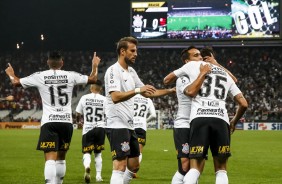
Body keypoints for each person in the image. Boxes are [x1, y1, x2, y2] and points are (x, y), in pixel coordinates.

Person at [5, 50, 101, 184]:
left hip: (49, 122)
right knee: (61, 158)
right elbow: (93, 79)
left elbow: (15, 82)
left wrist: (11, 73)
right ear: (62, 63)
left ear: (48, 62)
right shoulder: (70, 75)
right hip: (66, 122)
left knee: (50, 158)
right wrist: (95, 65)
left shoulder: (40, 76)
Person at [164, 54, 248, 184]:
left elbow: (168, 79)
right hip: (221, 120)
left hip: (199, 119)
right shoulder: (225, 74)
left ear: (202, 58)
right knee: (221, 170)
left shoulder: (192, 66)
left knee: (195, 168)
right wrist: (233, 122)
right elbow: (244, 104)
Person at [104, 36, 175, 184]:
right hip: (117, 124)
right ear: (122, 51)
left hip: (130, 126)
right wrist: (137, 90)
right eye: (133, 51)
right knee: (120, 165)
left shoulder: (131, 72)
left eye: (136, 51)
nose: (136, 54)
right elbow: (115, 97)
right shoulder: (113, 70)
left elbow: (148, 92)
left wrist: (171, 90)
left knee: (134, 165)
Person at [171, 46, 211, 184]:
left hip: (199, 124)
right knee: (185, 166)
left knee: (197, 164)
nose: (200, 58)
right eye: (196, 55)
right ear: (187, 61)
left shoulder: (205, 77)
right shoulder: (183, 78)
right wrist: (202, 74)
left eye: (200, 55)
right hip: (184, 124)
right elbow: (191, 92)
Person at [75, 80, 106, 183]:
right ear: (100, 89)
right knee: (98, 153)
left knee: (87, 152)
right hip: (100, 128)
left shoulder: (84, 98)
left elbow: (78, 113)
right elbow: (108, 115)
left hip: (88, 128)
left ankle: (87, 166)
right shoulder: (104, 99)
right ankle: (98, 176)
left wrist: (78, 122)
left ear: (91, 88)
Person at [133, 93, 157, 177]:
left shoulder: (132, 96)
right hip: (141, 127)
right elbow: (153, 115)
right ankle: (134, 172)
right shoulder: (148, 100)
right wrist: (145, 121)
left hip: (130, 126)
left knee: (128, 150)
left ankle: (125, 170)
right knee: (139, 152)